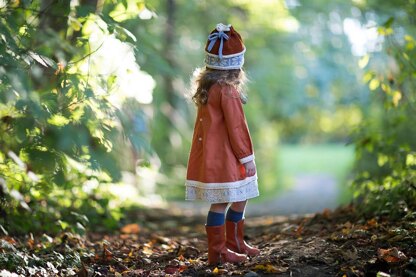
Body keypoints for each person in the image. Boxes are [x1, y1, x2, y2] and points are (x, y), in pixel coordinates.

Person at [185, 23, 260, 265]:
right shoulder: (228, 91)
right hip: (227, 155)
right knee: (221, 201)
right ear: (236, 65)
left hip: (212, 155)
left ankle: (232, 243)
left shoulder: (207, 87)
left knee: (240, 195)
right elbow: (237, 128)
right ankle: (218, 251)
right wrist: (247, 158)